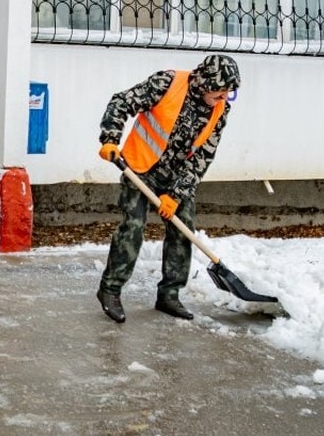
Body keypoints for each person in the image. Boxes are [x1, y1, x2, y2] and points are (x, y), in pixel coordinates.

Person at [95, 54, 241, 324]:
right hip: (139, 167)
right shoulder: (168, 82)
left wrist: (176, 194)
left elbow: (202, 157)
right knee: (132, 228)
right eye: (219, 93)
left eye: (227, 95)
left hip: (175, 178)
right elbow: (121, 102)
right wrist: (111, 138)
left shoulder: (220, 111)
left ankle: (169, 294)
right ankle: (110, 290)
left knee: (182, 230)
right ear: (204, 82)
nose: (223, 100)